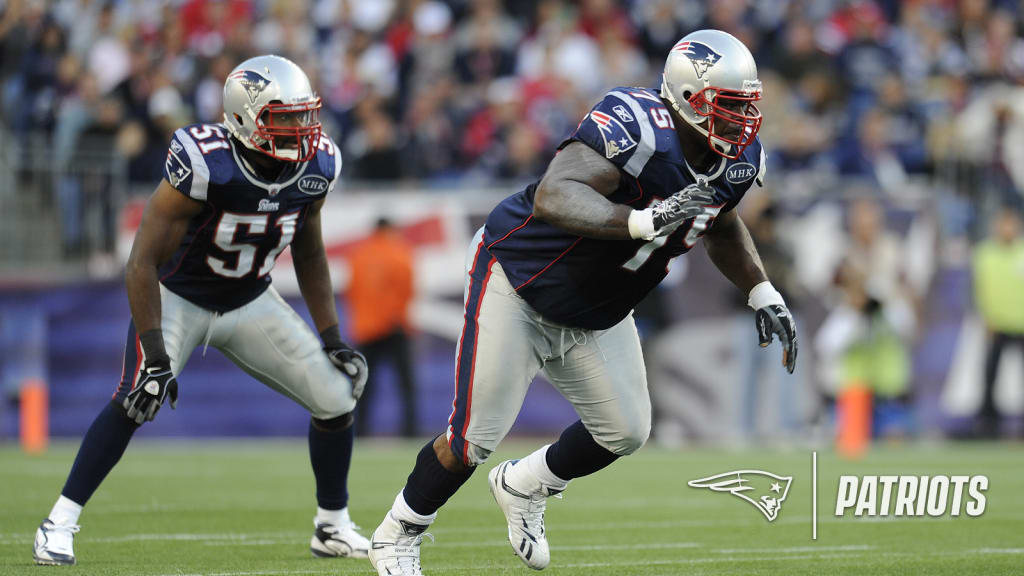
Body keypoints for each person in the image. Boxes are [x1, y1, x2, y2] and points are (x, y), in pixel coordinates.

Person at [367, 30, 798, 575]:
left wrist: (761, 290)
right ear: (688, 98)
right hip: (521, 282)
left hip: (598, 312)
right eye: (728, 107)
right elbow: (554, 193)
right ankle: (396, 534)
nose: (742, 122)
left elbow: (721, 220)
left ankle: (525, 486)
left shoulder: (737, 159)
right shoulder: (638, 126)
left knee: (627, 429)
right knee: (471, 439)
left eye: (747, 107)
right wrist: (641, 221)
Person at [32, 55, 371, 566]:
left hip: (250, 299)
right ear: (244, 117)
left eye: (305, 116)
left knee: (336, 398)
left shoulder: (318, 164)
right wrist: (155, 353)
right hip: (179, 297)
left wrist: (332, 338)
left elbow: (309, 249)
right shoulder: (206, 162)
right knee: (136, 399)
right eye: (285, 117)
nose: (301, 129)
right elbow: (141, 261)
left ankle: (332, 525)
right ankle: (59, 521)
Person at [346, 217, 418, 437]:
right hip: (394, 326)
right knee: (405, 384)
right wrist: (394, 316)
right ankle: (409, 431)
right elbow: (408, 287)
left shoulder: (359, 255)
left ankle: (359, 431)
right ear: (389, 229)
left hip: (367, 328)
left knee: (363, 385)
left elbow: (352, 290)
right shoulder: (399, 251)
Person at [972, 209, 1024, 438]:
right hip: (997, 323)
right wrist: (985, 317)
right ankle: (988, 425)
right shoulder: (985, 253)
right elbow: (978, 289)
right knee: (990, 377)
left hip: (1021, 323)